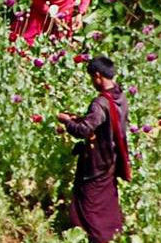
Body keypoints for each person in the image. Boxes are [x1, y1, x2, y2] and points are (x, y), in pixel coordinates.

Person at [58, 56, 131, 243]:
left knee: (89, 201)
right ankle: (113, 233)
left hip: (97, 161)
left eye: (92, 78)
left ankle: (96, 237)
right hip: (112, 159)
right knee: (106, 199)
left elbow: (84, 130)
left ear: (98, 76)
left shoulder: (100, 103)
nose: (92, 82)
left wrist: (67, 121)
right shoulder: (121, 97)